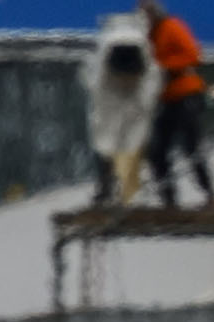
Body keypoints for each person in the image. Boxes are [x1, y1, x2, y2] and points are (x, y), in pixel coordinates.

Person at [138, 0, 214, 207]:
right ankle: (168, 199)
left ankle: (210, 194)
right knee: (158, 150)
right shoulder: (146, 37)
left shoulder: (171, 27)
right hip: (166, 97)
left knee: (191, 147)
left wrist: (163, 66)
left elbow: (193, 55)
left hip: (186, 93)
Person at [83, 16, 160, 206]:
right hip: (125, 99)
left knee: (111, 145)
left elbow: (92, 79)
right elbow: (152, 78)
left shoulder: (109, 43)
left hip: (119, 100)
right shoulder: (139, 42)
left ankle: (111, 190)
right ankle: (128, 191)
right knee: (131, 143)